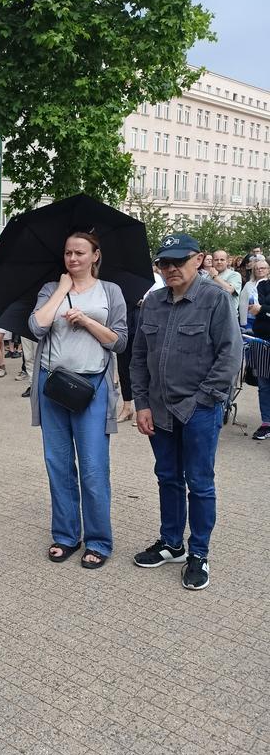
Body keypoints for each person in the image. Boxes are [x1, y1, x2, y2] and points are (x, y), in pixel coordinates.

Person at [131, 233, 242, 590]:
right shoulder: (153, 302)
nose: (170, 268)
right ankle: (172, 543)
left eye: (178, 261)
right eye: (164, 262)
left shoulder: (214, 300)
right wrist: (142, 403)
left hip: (199, 410)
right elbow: (137, 358)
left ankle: (199, 553)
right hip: (160, 411)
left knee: (200, 483)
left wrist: (203, 400)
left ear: (199, 260)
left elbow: (230, 355)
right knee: (167, 477)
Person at [29, 230, 127, 569]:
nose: (73, 259)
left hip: (93, 388)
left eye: (80, 253)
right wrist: (60, 291)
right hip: (53, 385)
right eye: (68, 253)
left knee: (93, 468)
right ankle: (66, 535)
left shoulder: (110, 291)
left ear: (95, 255)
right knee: (58, 465)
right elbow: (37, 326)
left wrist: (85, 320)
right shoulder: (50, 289)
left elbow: (120, 341)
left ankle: (99, 539)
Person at [249, 275, 270, 440]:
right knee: (264, 384)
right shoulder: (262, 284)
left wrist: (263, 308)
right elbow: (255, 305)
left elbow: (260, 307)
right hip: (262, 337)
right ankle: (266, 423)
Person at [207, 249, 242, 317]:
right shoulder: (205, 276)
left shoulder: (234, 275)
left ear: (227, 261)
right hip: (209, 316)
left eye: (222, 259)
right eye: (216, 260)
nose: (219, 262)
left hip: (228, 317)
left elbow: (229, 290)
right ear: (212, 261)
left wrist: (215, 277)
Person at [239, 257, 269, 329]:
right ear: (254, 271)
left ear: (268, 270)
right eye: (257, 268)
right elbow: (242, 303)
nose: (260, 270)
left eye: (263, 268)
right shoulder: (248, 284)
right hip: (249, 319)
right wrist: (243, 322)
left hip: (265, 321)